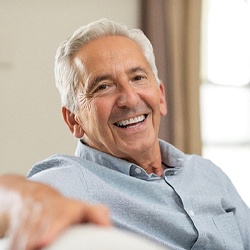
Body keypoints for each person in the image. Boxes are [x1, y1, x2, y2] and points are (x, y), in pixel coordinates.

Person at [0, 18, 249, 250]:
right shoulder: (71, 181)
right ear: (74, 120)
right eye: (103, 86)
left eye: (138, 77)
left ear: (160, 96)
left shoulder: (208, 173)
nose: (129, 99)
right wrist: (28, 199)